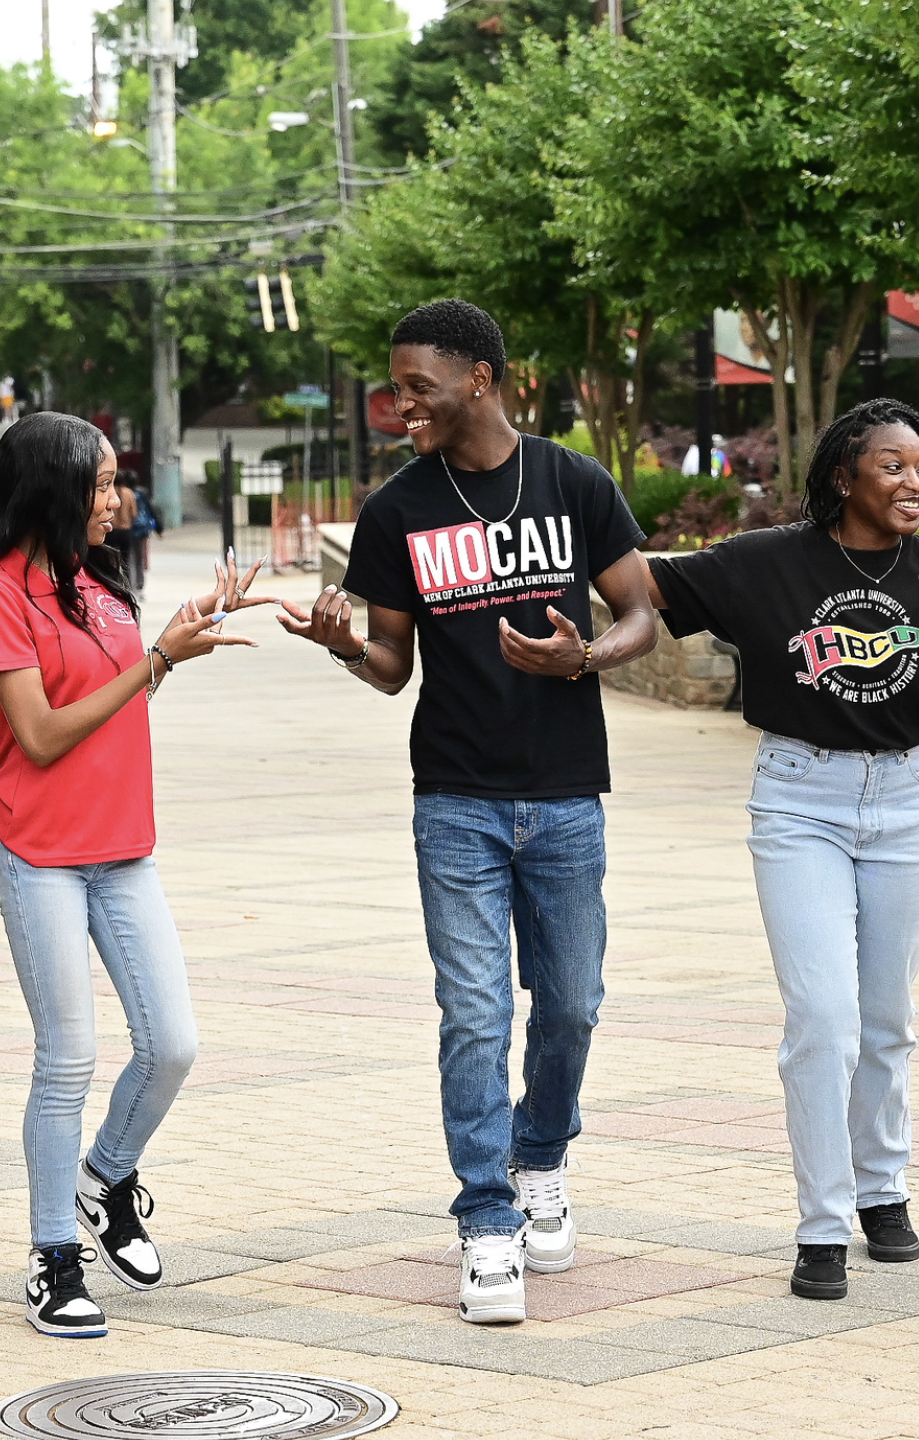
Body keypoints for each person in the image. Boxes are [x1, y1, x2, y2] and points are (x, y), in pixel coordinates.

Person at [278, 298, 659, 1326]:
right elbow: (393, 665)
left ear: (481, 380)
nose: (401, 404)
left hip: (568, 795)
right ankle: (487, 1221)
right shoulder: (398, 509)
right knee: (477, 1011)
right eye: (396, 387)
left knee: (572, 1002)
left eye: (419, 387)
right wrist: (343, 645)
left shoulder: (573, 481)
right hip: (455, 800)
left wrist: (584, 655)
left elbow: (641, 614)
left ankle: (541, 1152)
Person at [643, 399, 919, 1301]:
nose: (916, 484)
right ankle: (821, 1223)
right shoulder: (767, 565)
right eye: (892, 466)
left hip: (910, 800)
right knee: (822, 1021)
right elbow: (643, 583)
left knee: (887, 1019)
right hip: (800, 801)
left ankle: (884, 1191)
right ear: (843, 475)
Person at [0, 411, 262, 1337]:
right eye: (102, 483)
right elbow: (42, 735)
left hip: (123, 849)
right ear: (53, 489)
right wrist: (158, 659)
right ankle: (53, 1256)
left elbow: (118, 692)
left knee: (172, 1045)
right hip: (39, 849)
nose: (118, 498)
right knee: (67, 1058)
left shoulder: (103, 584)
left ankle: (106, 1176)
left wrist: (172, 639)